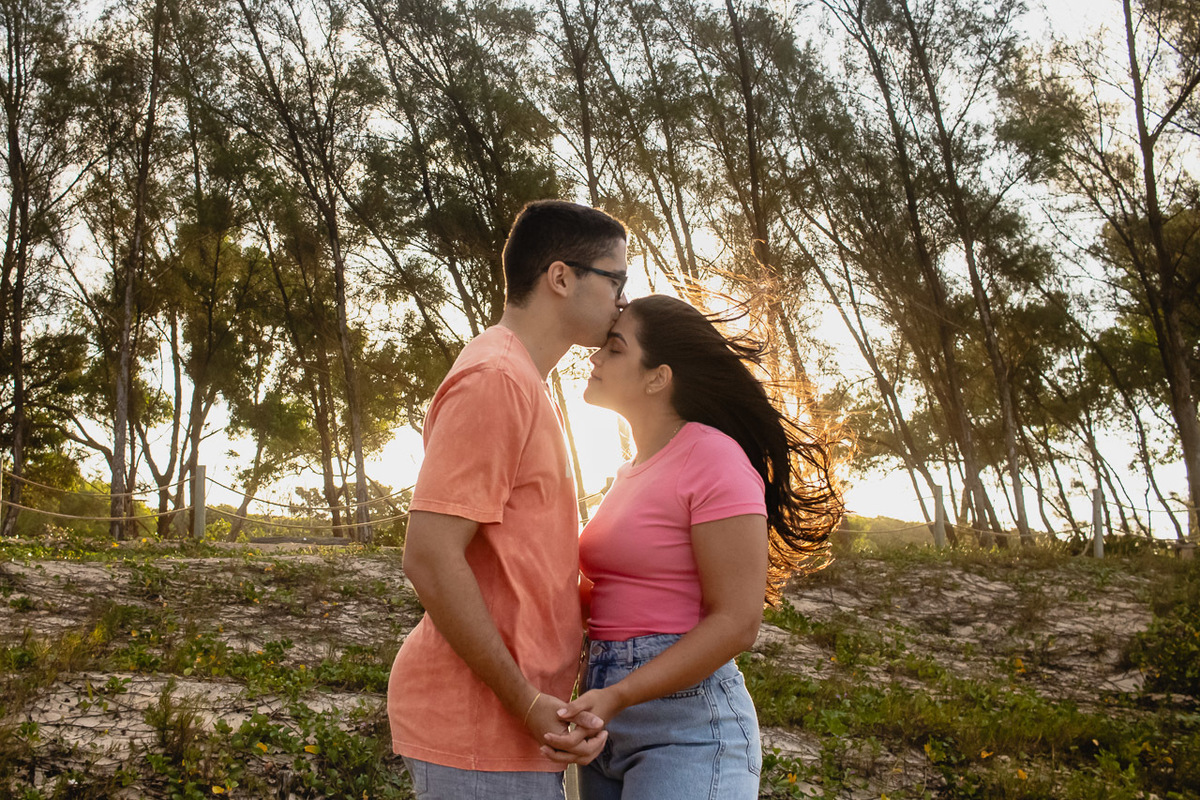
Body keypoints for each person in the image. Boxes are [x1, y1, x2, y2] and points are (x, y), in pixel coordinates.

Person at [545, 294, 843, 799]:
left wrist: (618, 694)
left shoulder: (713, 457)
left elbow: (737, 621)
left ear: (657, 377)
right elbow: (619, 594)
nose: (593, 358)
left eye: (614, 349)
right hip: (605, 717)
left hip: (687, 727)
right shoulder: (629, 472)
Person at [388, 200, 630, 800]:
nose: (623, 300)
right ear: (561, 277)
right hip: (481, 729)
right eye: (616, 279)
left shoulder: (521, 379)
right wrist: (524, 703)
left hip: (516, 732)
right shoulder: (496, 379)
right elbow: (429, 556)